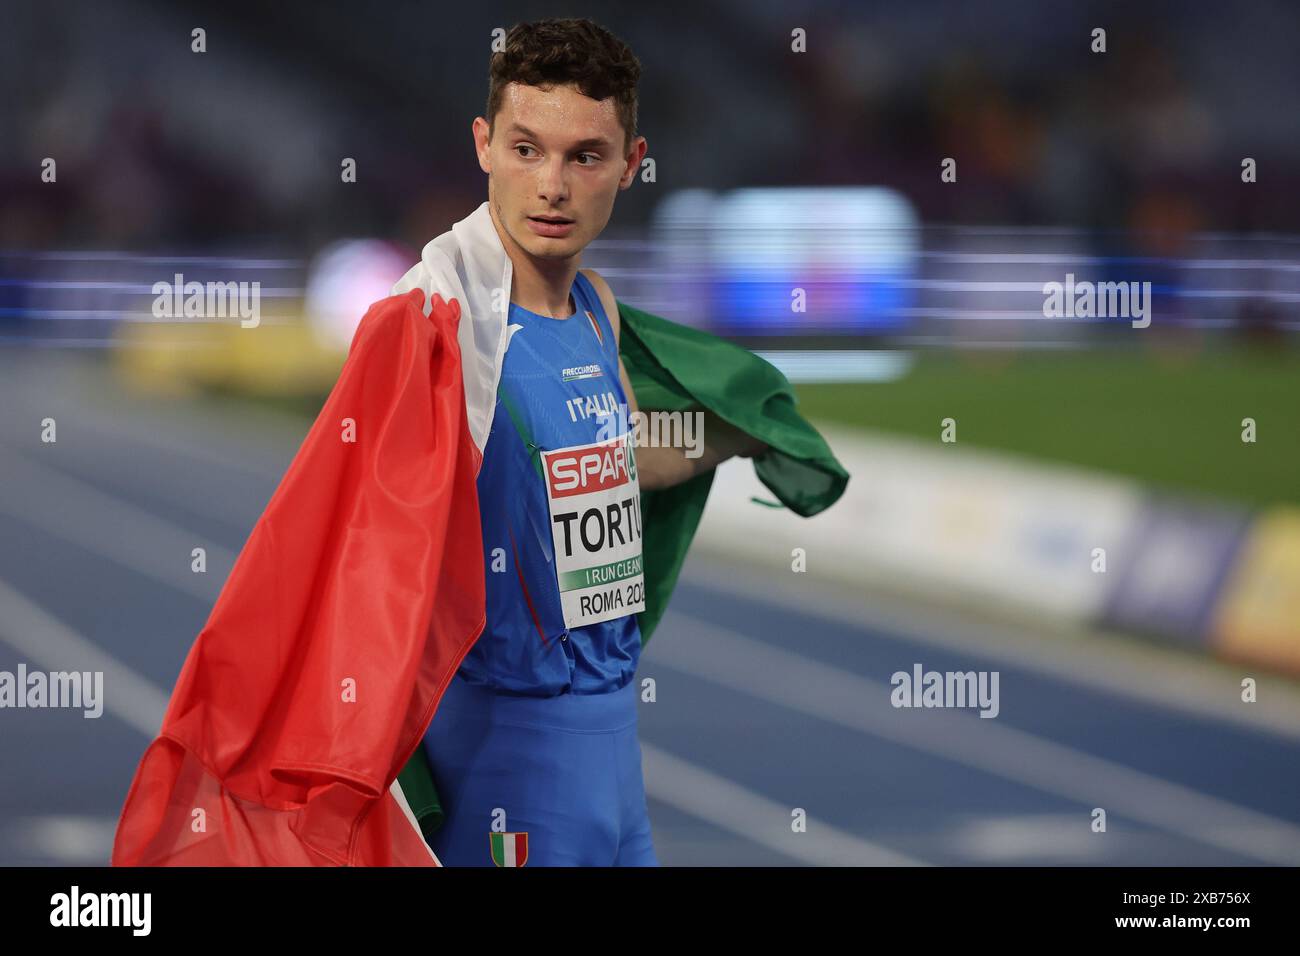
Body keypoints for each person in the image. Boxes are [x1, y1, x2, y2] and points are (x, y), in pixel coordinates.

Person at [418, 17, 767, 866]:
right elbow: (363, 523)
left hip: (614, 750)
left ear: (630, 164)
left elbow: (615, 457)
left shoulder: (596, 310)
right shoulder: (437, 321)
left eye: (585, 157)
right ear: (484, 146)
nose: (553, 187)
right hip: (501, 757)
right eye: (527, 149)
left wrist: (739, 432)